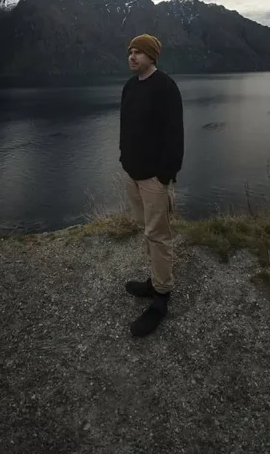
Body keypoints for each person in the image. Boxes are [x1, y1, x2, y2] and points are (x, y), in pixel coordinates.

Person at [120, 34, 184, 337]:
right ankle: (154, 280)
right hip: (132, 173)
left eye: (139, 52)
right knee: (145, 229)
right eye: (130, 52)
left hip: (153, 179)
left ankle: (161, 297)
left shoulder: (166, 87)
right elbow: (126, 126)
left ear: (152, 57)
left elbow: (175, 135)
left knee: (158, 237)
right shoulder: (130, 87)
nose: (132, 57)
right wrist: (124, 159)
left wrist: (165, 175)